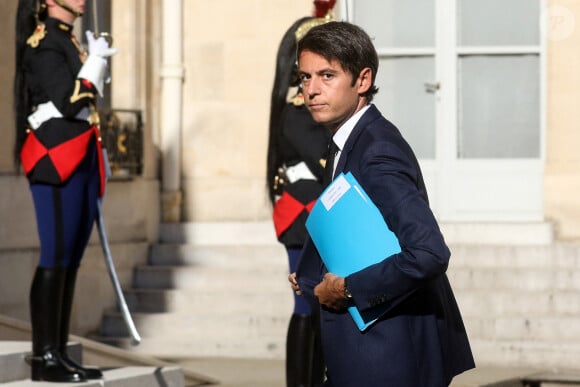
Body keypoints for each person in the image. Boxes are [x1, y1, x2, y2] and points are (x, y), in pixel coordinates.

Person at [288, 21, 475, 386]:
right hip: (367, 354)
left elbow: (429, 253)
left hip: (390, 356)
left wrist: (345, 288)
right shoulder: (348, 139)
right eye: (305, 77)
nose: (311, 90)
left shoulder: (378, 150)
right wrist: (312, 274)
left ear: (362, 80)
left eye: (327, 75)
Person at [14, 0, 116, 382]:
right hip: (55, 158)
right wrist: (96, 65)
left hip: (80, 155)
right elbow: (69, 99)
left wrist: (93, 62)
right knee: (55, 255)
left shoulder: (69, 42)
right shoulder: (42, 44)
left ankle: (59, 350)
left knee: (71, 258)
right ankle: (43, 356)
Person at [267, 4, 337, 385]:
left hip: (319, 215)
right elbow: (323, 159)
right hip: (302, 215)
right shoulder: (296, 111)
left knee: (318, 306)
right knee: (305, 305)